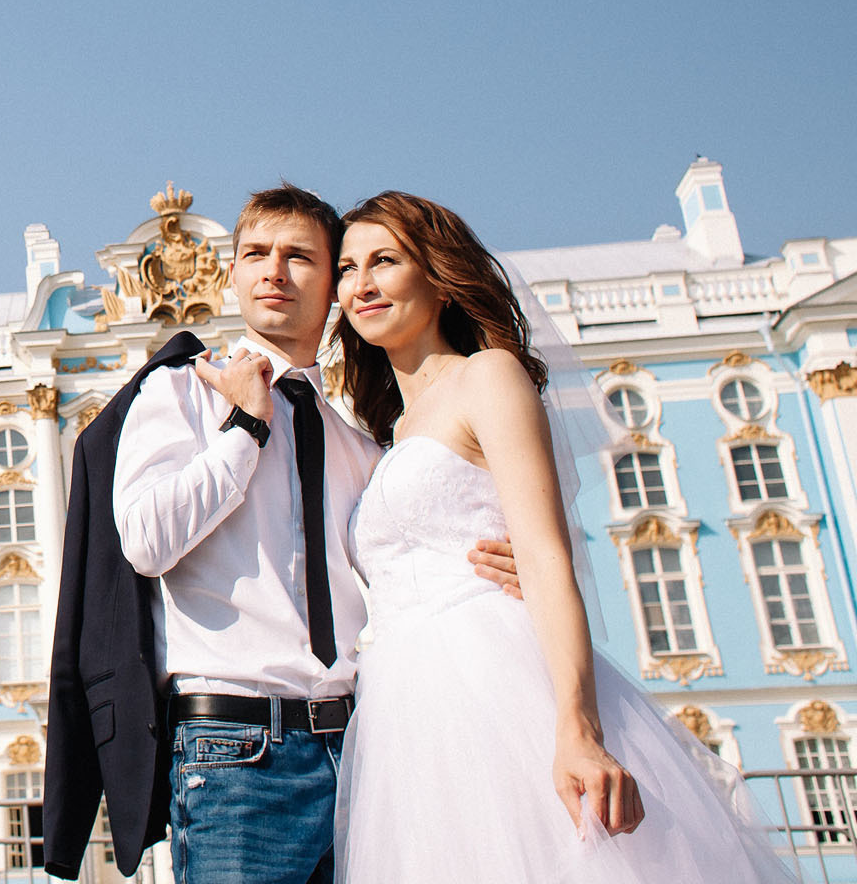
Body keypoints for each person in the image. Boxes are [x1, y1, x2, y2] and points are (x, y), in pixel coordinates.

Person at [45, 185, 519, 884]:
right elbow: (145, 540)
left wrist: (500, 567)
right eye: (255, 254)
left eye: (299, 257)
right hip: (237, 754)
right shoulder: (177, 392)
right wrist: (246, 428)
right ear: (231, 273)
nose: (273, 272)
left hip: (367, 748)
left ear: (335, 285)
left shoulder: (355, 439)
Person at [329, 191, 790, 883]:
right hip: (407, 707)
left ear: (438, 274)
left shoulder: (488, 375)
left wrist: (578, 726)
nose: (360, 284)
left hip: (491, 674)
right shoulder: (389, 430)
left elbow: (545, 554)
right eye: (347, 267)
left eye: (385, 261)